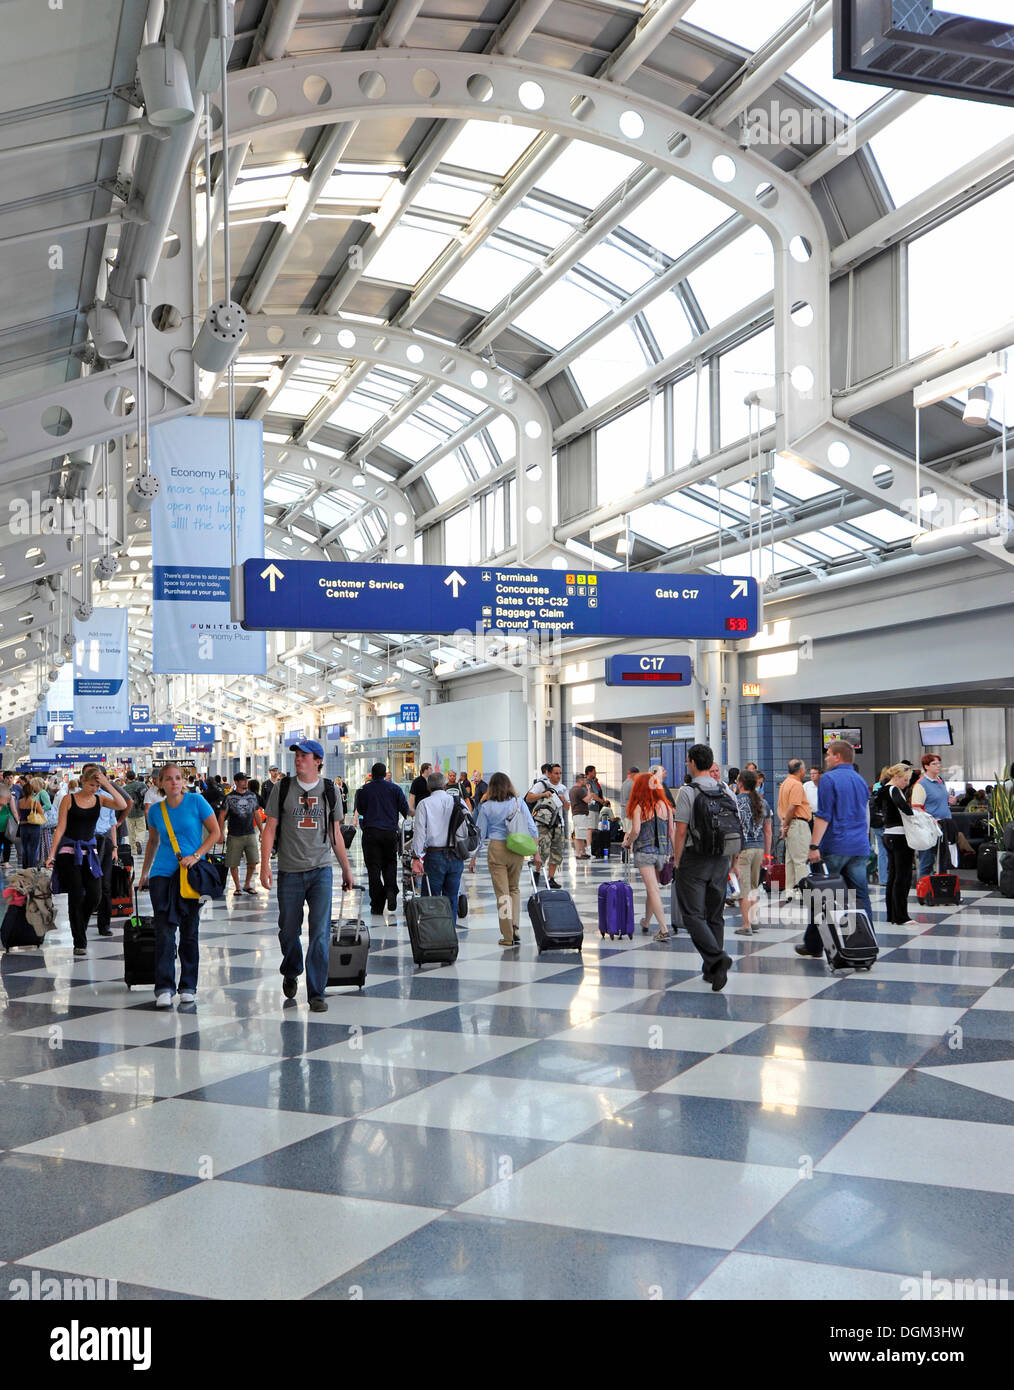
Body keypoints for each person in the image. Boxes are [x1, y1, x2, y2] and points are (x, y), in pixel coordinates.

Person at [260, 740, 355, 1013]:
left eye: (304, 756)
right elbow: (269, 828)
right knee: (288, 931)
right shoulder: (283, 787)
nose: (298, 760)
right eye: (297, 756)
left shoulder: (330, 789)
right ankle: (291, 969)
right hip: (289, 871)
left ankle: (317, 992)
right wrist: (265, 865)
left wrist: (346, 870)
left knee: (320, 933)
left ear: (318, 761)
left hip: (321, 870)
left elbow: (336, 833)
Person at [137, 763, 220, 1006]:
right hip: (162, 874)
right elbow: (152, 842)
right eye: (169, 779)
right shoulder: (155, 811)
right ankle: (163, 987)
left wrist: (196, 855)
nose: (174, 782)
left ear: (183, 781)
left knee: (189, 929)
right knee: (164, 929)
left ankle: (188, 985)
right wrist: (144, 873)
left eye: (178, 778)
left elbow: (215, 832)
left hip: (190, 874)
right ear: (160, 783)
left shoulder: (196, 802)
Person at [797, 740, 875, 958]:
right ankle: (866, 941)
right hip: (859, 846)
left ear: (838, 757)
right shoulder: (860, 780)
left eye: (829, 754)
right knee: (861, 896)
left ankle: (814, 945)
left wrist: (814, 846)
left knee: (823, 896)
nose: (826, 758)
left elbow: (824, 816)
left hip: (836, 846)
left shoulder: (829, 779)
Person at [672, 744, 739, 990]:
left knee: (692, 915)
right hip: (721, 859)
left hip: (695, 858)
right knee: (715, 915)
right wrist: (734, 860)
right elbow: (734, 827)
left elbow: (680, 831)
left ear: (690, 762)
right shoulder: (725, 791)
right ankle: (711, 970)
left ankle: (717, 959)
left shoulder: (688, 792)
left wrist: (677, 860)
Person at [46, 764, 128, 957]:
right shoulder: (69, 799)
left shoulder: (100, 799)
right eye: (91, 785)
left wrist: (107, 784)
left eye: (96, 786)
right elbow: (60, 828)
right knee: (76, 895)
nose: (93, 788)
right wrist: (51, 854)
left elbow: (122, 805)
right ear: (83, 781)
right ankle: (79, 942)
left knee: (95, 893)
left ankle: (80, 925)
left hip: (90, 853)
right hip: (69, 852)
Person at [470, 773, 540, 947]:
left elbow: (480, 834)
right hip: (516, 847)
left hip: (497, 849)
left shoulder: (486, 807)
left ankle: (507, 935)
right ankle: (515, 927)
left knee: (502, 894)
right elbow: (532, 828)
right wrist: (536, 852)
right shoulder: (519, 803)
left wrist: (473, 857)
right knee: (514, 888)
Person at [623, 771, 676, 941]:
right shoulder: (665, 805)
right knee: (652, 889)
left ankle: (663, 929)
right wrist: (675, 853)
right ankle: (646, 922)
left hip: (645, 852)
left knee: (653, 889)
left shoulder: (640, 806)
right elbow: (671, 832)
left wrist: (627, 842)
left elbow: (636, 830)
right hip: (661, 853)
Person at [410, 770, 466, 926]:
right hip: (455, 854)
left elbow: (420, 833)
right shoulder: (457, 801)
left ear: (428, 788)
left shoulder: (424, 804)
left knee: (432, 898)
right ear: (445, 785)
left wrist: (416, 857)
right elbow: (466, 828)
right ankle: (450, 933)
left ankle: (434, 934)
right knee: (452, 897)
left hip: (434, 856)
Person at [355, 762, 409, 915]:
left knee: (373, 869)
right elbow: (405, 810)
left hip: (371, 833)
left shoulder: (364, 790)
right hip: (390, 833)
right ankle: (391, 890)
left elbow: (361, 810)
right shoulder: (395, 789)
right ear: (385, 774)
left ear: (372, 775)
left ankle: (377, 904)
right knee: (390, 864)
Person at [733, 770, 772, 936]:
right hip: (759, 848)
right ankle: (754, 919)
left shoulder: (736, 801)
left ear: (740, 783)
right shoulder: (763, 803)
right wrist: (767, 855)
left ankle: (746, 924)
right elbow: (768, 830)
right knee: (754, 887)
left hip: (743, 849)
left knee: (744, 888)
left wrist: (733, 856)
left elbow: (735, 829)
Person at [877, 764, 917, 926]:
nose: (906, 783)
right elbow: (906, 810)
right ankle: (901, 916)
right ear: (897, 776)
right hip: (900, 837)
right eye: (905, 779)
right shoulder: (894, 790)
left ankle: (892, 914)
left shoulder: (881, 790)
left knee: (893, 876)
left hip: (888, 835)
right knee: (903, 877)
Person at [524, 763, 568, 889]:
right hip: (543, 823)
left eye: (560, 773)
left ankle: (551, 877)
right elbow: (528, 798)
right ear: (549, 774)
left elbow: (567, 808)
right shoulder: (541, 785)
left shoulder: (563, 788)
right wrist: (543, 794)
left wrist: (564, 800)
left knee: (557, 852)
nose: (558, 776)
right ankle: (537, 872)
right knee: (543, 850)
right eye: (556, 773)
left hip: (558, 824)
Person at [911, 752, 954, 879]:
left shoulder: (941, 781)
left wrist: (950, 801)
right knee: (927, 861)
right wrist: (931, 819)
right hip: (929, 828)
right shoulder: (921, 784)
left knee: (943, 861)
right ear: (926, 766)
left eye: (939, 763)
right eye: (934, 764)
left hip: (945, 824)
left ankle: (941, 892)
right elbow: (916, 807)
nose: (938, 766)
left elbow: (941, 802)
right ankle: (923, 891)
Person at [218, 771, 261, 895]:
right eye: (243, 780)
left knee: (253, 861)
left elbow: (256, 813)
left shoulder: (252, 796)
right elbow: (222, 816)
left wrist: (262, 831)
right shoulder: (229, 797)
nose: (246, 782)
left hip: (250, 833)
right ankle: (237, 887)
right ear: (236, 782)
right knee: (233, 862)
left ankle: (247, 884)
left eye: (246, 780)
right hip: (234, 834)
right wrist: (220, 833)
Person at [777, 759, 812, 901]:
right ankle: (804, 891)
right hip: (798, 824)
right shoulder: (797, 785)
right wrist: (786, 825)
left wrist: (783, 824)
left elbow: (780, 808)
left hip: (789, 824)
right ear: (800, 770)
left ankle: (790, 890)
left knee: (790, 859)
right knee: (801, 859)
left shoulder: (784, 784)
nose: (806, 772)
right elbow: (793, 806)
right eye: (805, 769)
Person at [17, 777, 50, 870]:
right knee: (33, 848)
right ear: (32, 791)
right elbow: (41, 813)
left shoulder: (20, 802)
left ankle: (25, 867)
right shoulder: (35, 802)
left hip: (23, 827)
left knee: (24, 848)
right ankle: (31, 868)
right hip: (34, 827)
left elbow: (19, 814)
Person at [569, 772, 594, 859]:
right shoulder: (579, 790)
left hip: (576, 814)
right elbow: (588, 800)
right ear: (581, 780)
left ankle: (583, 852)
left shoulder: (572, 789)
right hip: (580, 814)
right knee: (579, 834)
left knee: (581, 833)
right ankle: (579, 854)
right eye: (584, 780)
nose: (586, 781)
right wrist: (589, 790)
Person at [618, 766, 640, 837]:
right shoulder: (632, 784)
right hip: (630, 813)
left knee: (627, 832)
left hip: (624, 812)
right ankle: (630, 848)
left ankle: (625, 847)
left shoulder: (624, 783)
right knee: (632, 834)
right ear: (634, 774)